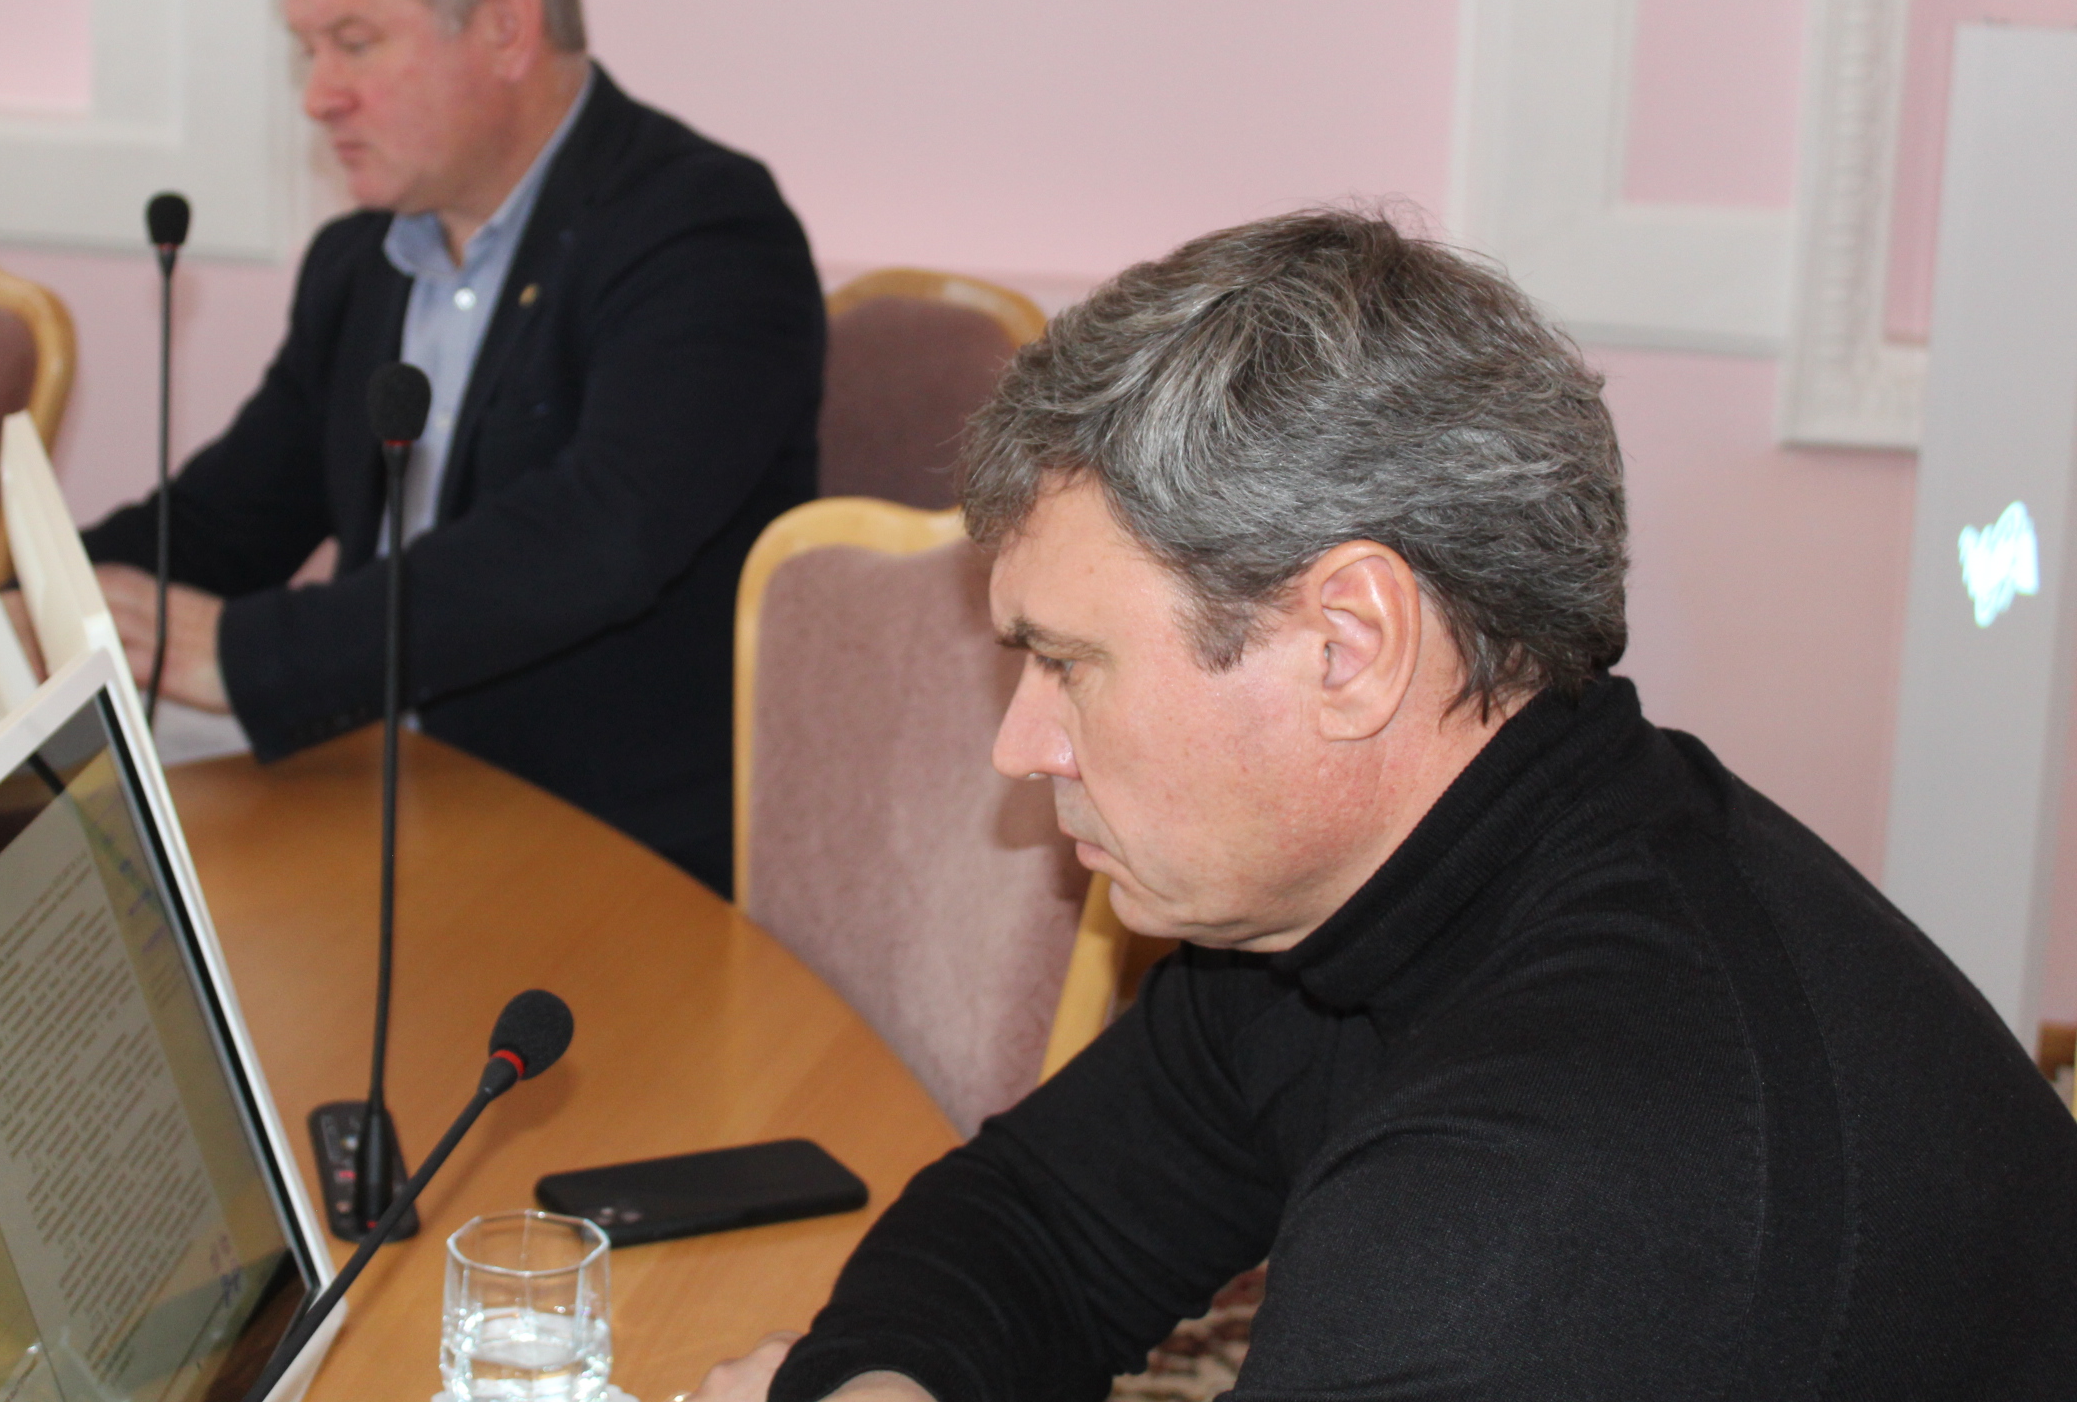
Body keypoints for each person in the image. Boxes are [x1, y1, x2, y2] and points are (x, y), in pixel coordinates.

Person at [697, 210, 2077, 1400]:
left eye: (1070, 664)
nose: (1021, 745)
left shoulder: (1540, 1209)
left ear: (1349, 645)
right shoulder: (1379, 884)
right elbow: (1039, 1219)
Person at [81, 0, 823, 895]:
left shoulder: (705, 232)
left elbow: (597, 535)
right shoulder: (362, 259)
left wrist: (251, 656)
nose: (318, 96)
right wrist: (17, 600)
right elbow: (233, 514)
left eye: (354, 44)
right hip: (376, 793)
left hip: (605, 845)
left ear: (506, 28)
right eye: (308, 52)